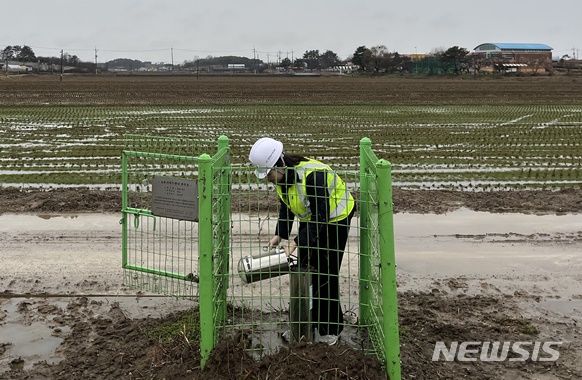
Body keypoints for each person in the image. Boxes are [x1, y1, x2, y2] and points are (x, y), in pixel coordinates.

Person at [248, 137, 355, 345]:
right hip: (313, 217)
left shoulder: (312, 176)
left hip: (336, 218)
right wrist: (281, 234)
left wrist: (297, 241)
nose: (267, 179)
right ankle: (304, 325)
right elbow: (287, 205)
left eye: (268, 174)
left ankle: (329, 330)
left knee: (325, 273)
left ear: (278, 165)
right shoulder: (283, 177)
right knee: (304, 267)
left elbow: (322, 216)